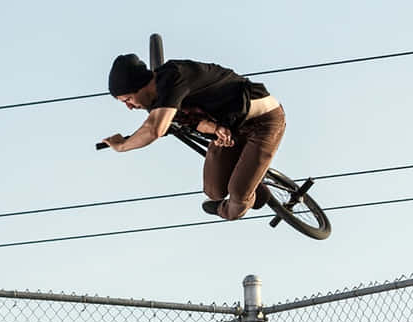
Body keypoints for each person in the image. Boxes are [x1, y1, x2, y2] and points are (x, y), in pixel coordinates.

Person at [101, 53, 285, 221]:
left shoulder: (175, 76)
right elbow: (196, 122)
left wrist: (122, 146)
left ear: (140, 86)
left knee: (236, 200)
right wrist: (216, 129)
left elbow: (154, 129)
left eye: (128, 99)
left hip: (263, 122)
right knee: (213, 190)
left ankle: (233, 202)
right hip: (231, 127)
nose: (129, 107)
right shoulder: (157, 104)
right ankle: (253, 186)